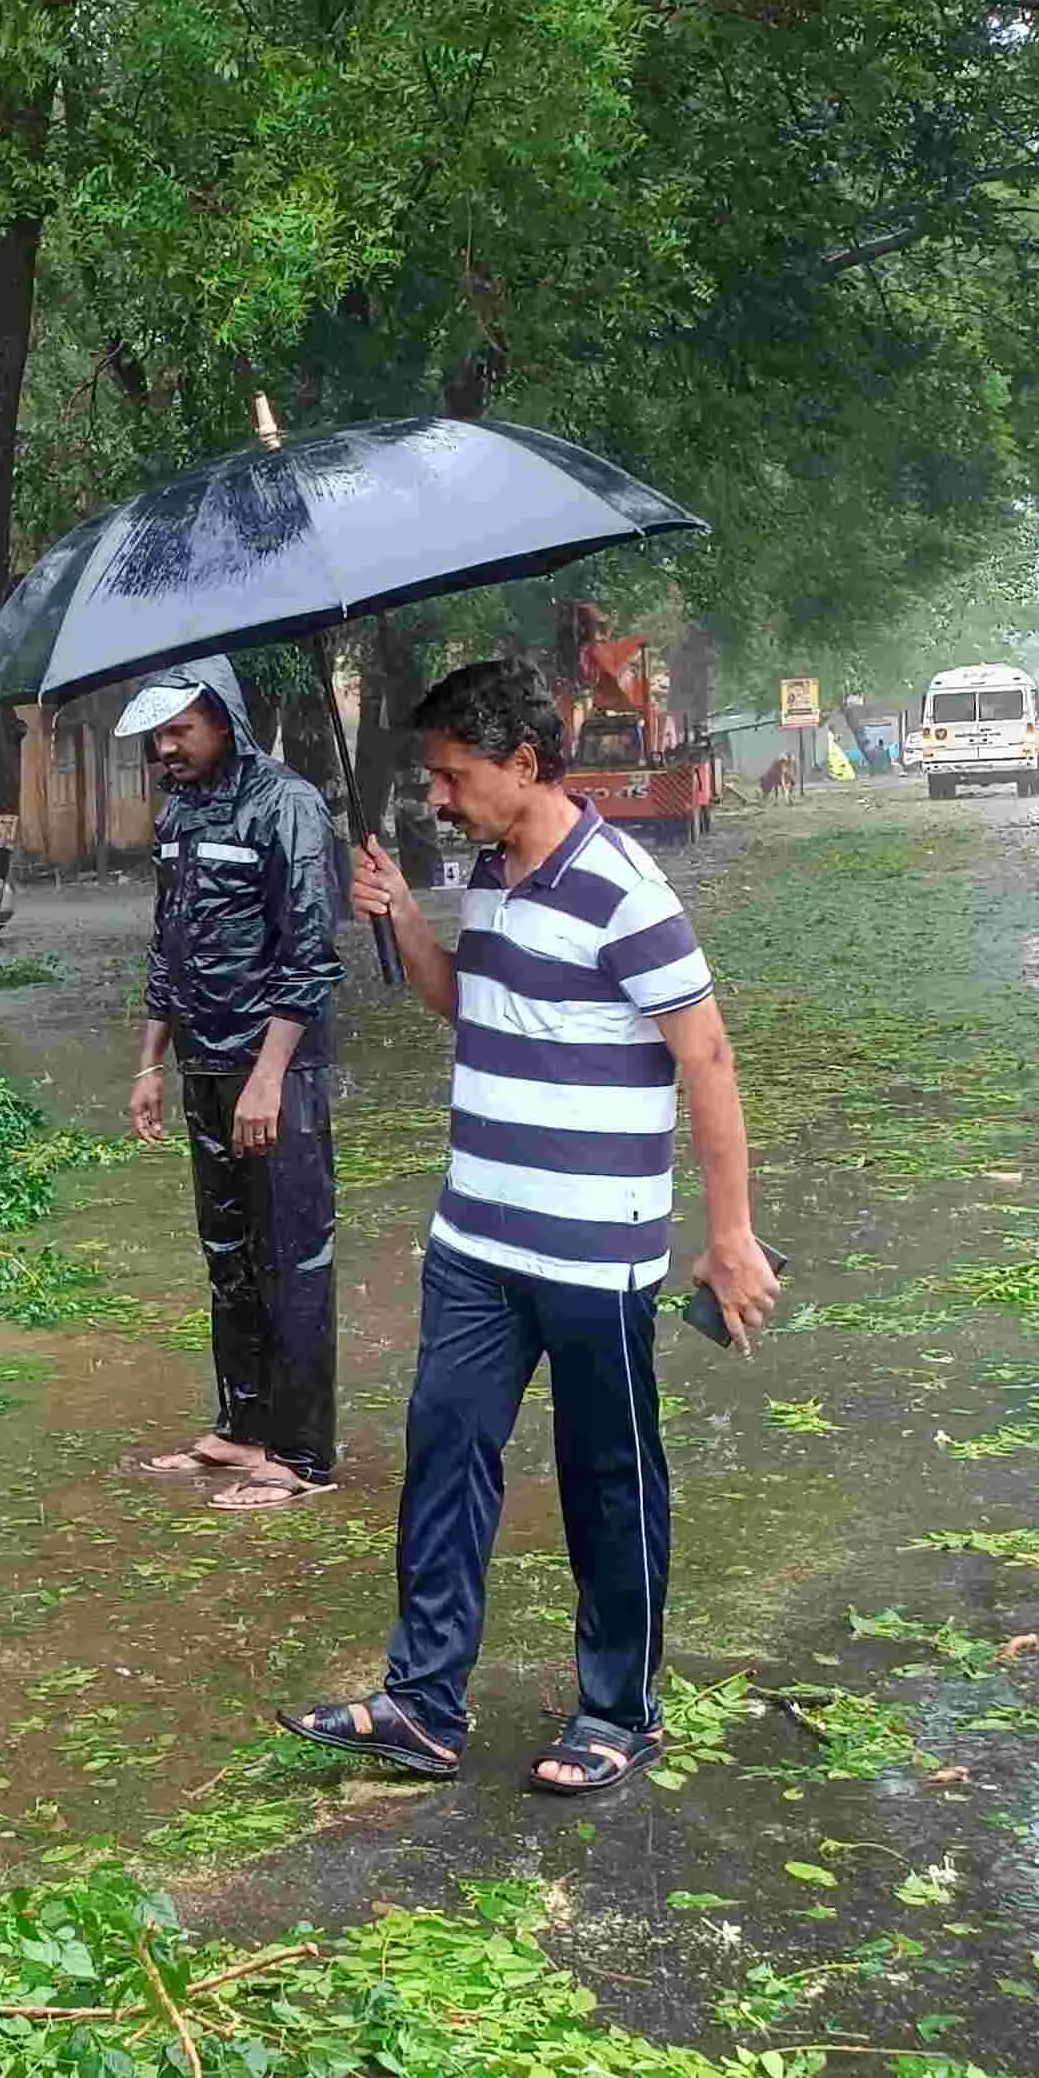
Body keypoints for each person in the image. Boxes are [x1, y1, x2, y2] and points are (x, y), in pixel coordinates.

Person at [295, 657, 777, 1796]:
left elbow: (702, 1055)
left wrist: (733, 1235)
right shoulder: (486, 869)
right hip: (473, 1237)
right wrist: (406, 917)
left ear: (525, 760)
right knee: (444, 1452)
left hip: (591, 1246)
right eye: (432, 779)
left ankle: (619, 1707)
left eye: (455, 776)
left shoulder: (624, 888)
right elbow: (470, 1000)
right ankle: (421, 1703)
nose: (440, 798)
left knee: (606, 1472)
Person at [115, 656, 345, 1512]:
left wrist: (267, 1078)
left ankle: (301, 1455)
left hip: (274, 1072)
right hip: (201, 1066)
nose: (166, 747)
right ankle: (241, 1425)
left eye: (180, 730)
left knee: (294, 1254)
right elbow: (164, 949)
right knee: (229, 1255)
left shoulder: (286, 803)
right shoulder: (178, 811)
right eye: (158, 734)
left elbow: (310, 953)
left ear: (225, 722)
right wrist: (149, 1062)